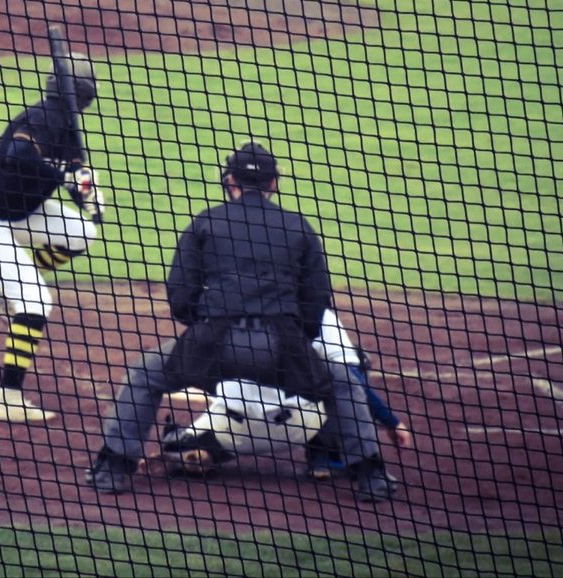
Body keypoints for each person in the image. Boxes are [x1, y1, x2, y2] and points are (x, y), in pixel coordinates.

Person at [84, 142, 339, 495]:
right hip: (283, 350)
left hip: (214, 343)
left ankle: (112, 468)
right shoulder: (299, 227)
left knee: (145, 373)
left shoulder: (206, 222)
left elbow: (180, 294)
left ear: (229, 180)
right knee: (340, 378)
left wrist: (203, 325)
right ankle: (363, 470)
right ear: (273, 182)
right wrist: (297, 338)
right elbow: (317, 299)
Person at [0, 54, 105, 423]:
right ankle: (7, 398)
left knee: (82, 233)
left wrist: (87, 195)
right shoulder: (43, 116)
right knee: (35, 299)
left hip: (14, 211)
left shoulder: (68, 129)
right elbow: (19, 155)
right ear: (85, 93)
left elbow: (74, 174)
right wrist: (64, 179)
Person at [160, 307, 406, 502]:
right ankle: (327, 456)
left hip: (233, 428)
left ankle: (196, 445)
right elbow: (352, 382)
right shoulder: (316, 312)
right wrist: (391, 421)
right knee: (347, 372)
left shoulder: (219, 308)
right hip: (301, 424)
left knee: (183, 435)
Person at [304, 309, 412, 481]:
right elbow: (353, 382)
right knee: (347, 379)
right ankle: (334, 456)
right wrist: (391, 421)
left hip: (265, 412)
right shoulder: (322, 316)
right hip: (288, 412)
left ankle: (321, 455)